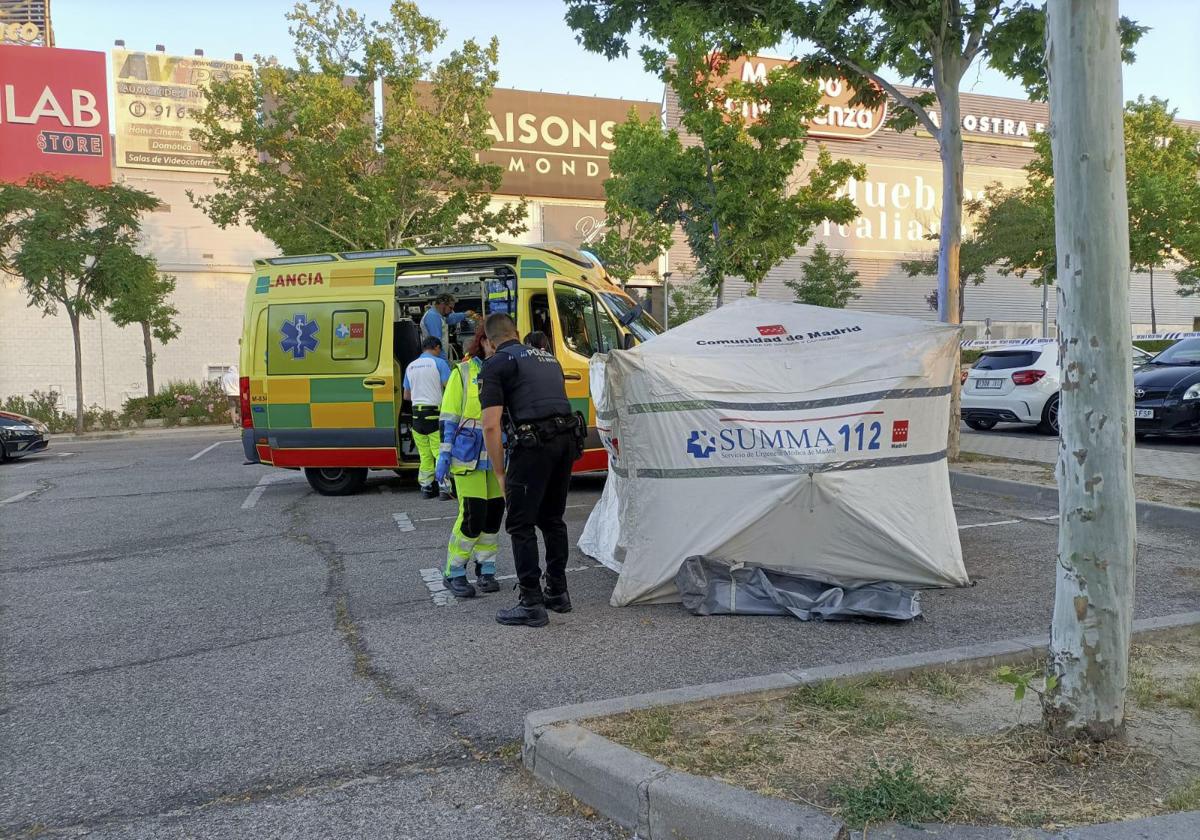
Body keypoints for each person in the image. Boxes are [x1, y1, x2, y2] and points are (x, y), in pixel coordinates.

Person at [479, 313, 580, 627]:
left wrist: (499, 472)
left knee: (520, 524)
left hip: (534, 445)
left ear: (488, 341)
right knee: (552, 519)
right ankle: (558, 592)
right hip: (565, 441)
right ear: (517, 332)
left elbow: (491, 426)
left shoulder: (496, 363)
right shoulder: (547, 358)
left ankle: (531, 603)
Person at [436, 323, 503, 598]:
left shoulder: (503, 371)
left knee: (493, 517)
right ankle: (454, 571)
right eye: (495, 342)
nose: (499, 347)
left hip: (497, 456)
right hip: (467, 456)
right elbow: (449, 417)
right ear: (484, 341)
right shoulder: (462, 373)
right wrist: (443, 454)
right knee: (472, 516)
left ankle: (486, 568)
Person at [403, 337, 452, 498]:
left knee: (424, 454)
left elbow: (407, 396)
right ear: (436, 347)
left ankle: (426, 488)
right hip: (434, 415)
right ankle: (444, 488)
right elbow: (450, 388)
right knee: (439, 453)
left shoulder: (410, 366)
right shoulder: (439, 363)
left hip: (417, 416)